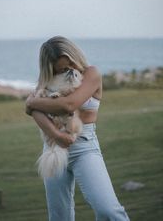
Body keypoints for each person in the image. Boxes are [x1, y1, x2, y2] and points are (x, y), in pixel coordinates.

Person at [26, 36, 130, 221]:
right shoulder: (47, 81)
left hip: (84, 147)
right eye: (60, 70)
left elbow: (68, 105)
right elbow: (35, 113)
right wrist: (57, 135)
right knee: (59, 217)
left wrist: (33, 102)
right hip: (53, 147)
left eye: (69, 66)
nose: (67, 72)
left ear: (74, 55)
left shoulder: (91, 74)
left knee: (108, 210)